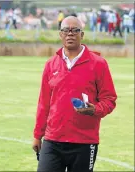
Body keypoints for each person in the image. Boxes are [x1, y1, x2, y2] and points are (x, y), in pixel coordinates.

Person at [32, 16, 117, 172]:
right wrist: (38, 135)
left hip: (84, 141)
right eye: (66, 30)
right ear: (60, 34)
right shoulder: (51, 64)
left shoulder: (98, 64)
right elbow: (43, 103)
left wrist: (94, 110)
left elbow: (109, 100)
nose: (70, 34)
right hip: (53, 140)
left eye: (75, 30)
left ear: (82, 35)